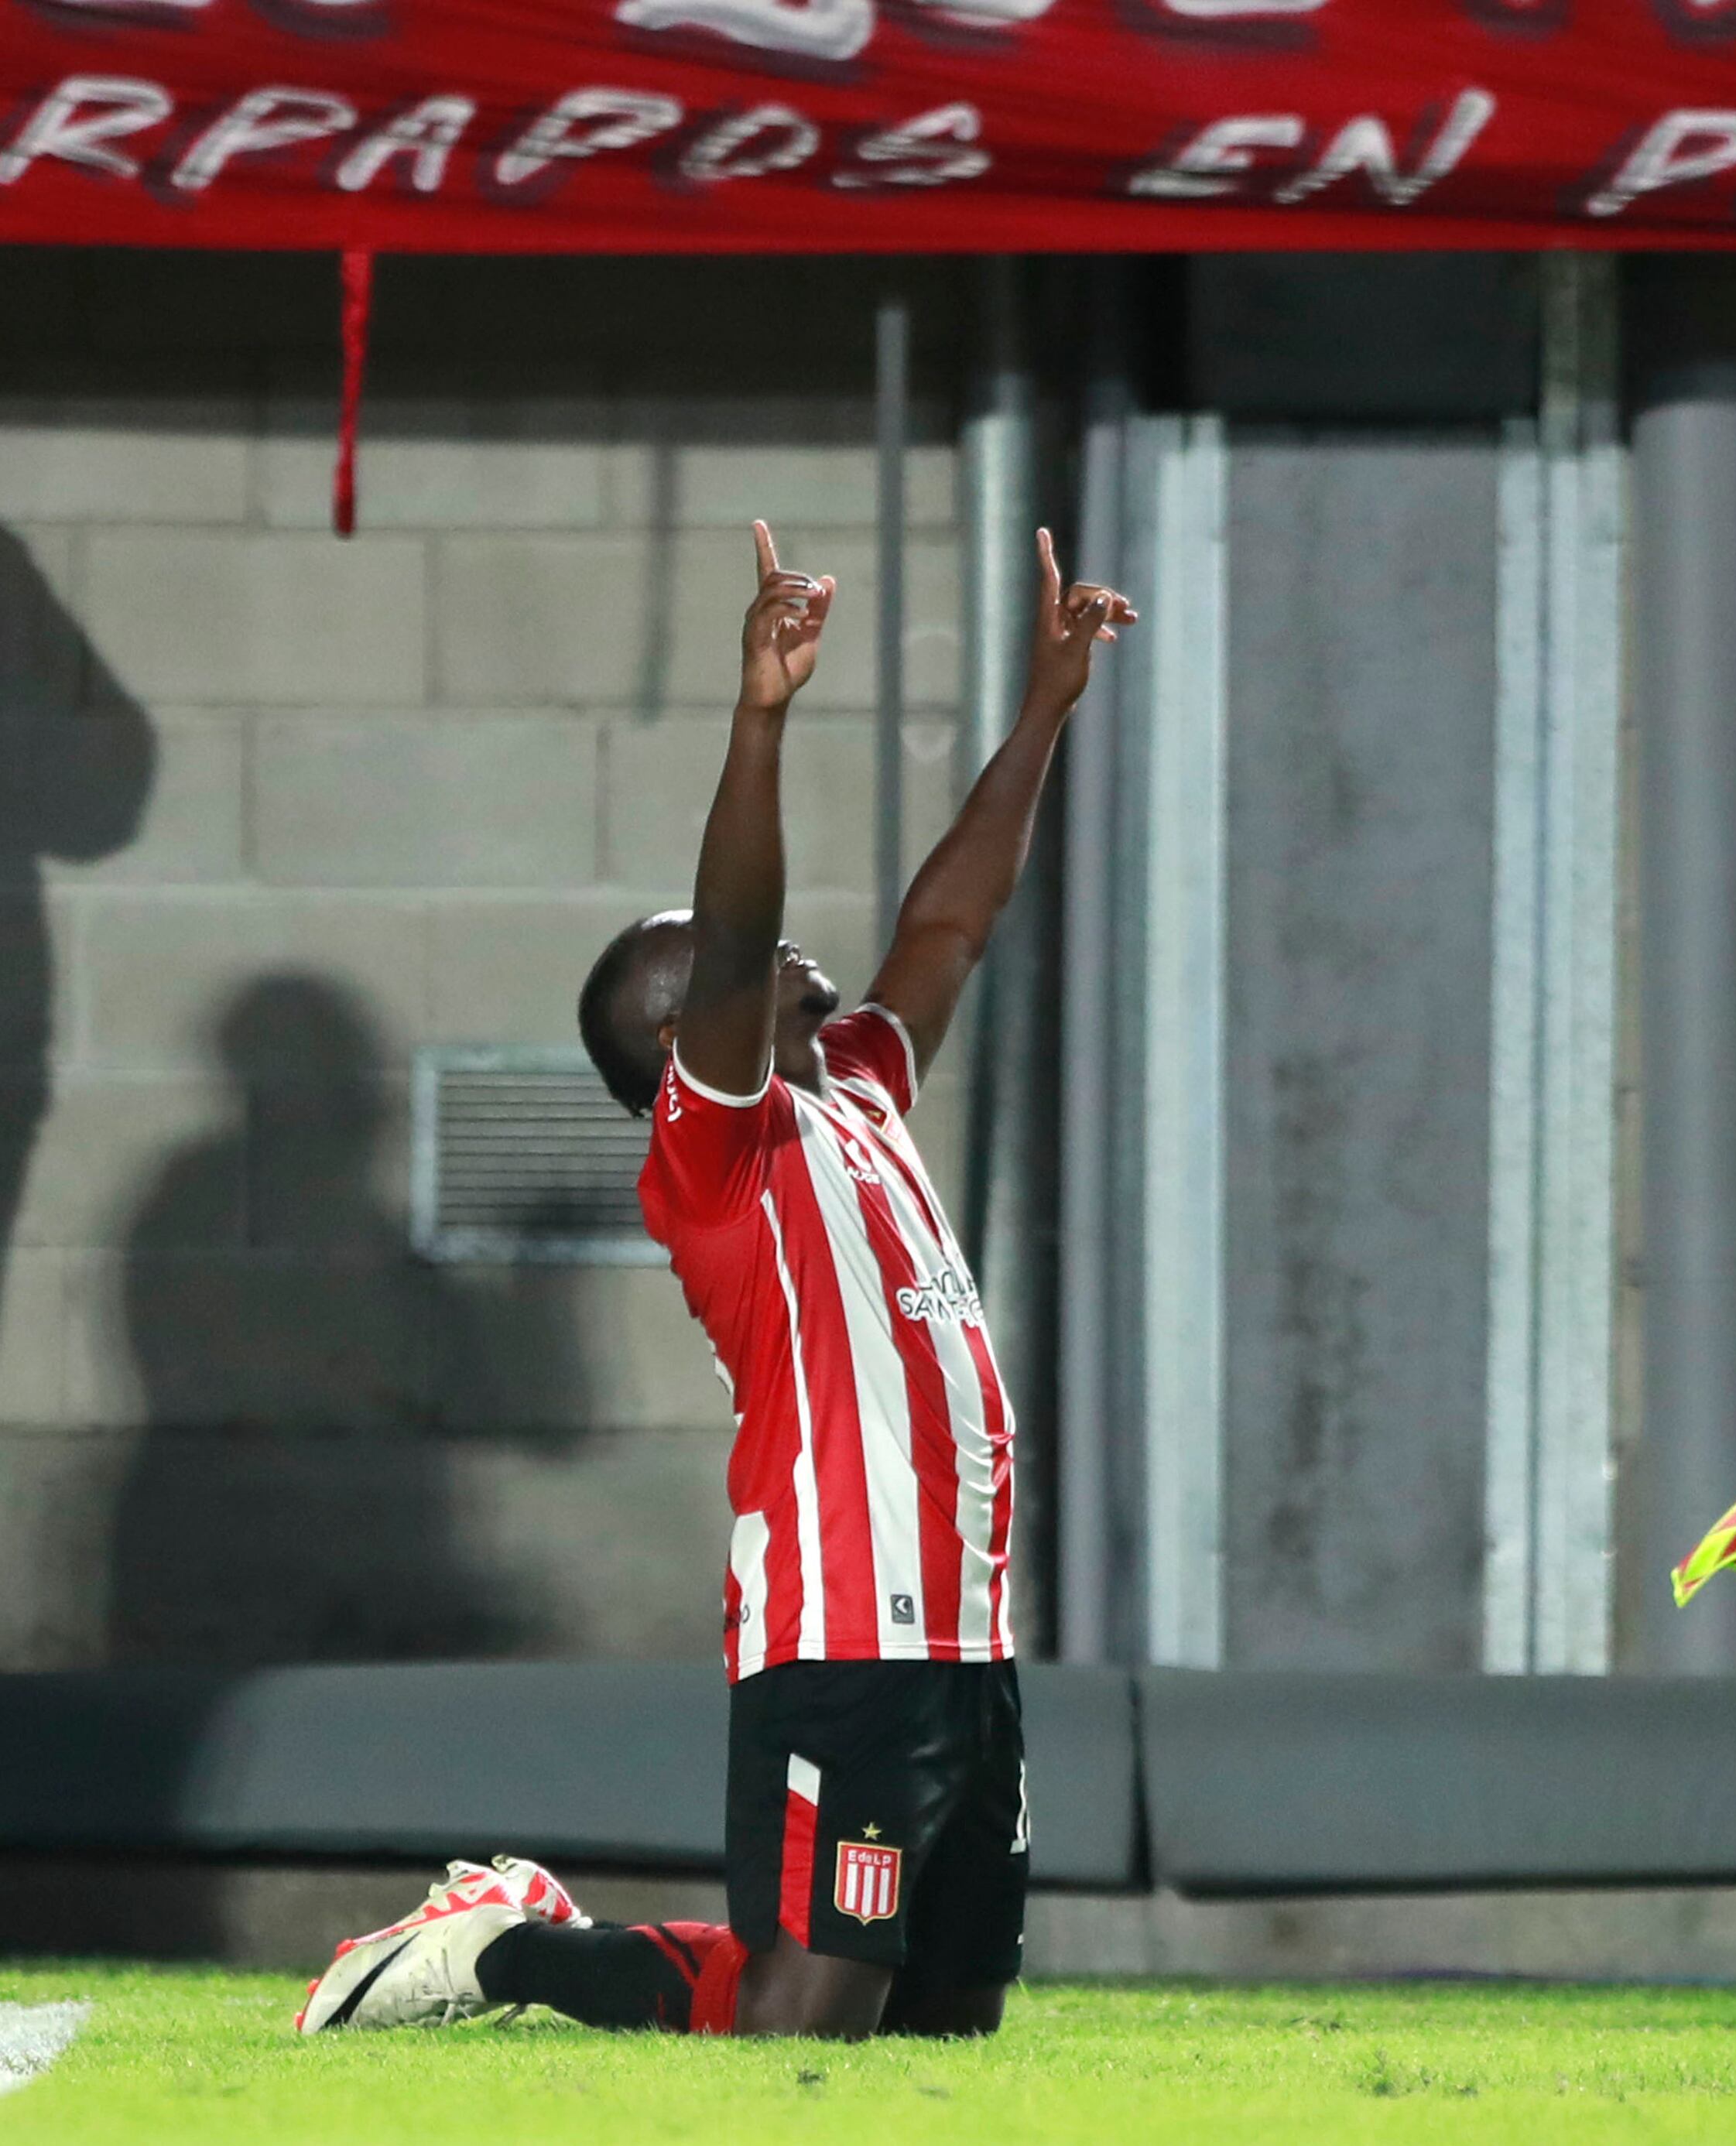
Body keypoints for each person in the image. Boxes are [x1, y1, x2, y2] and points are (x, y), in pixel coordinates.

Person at [295, 522, 1135, 2039]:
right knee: (806, 2018)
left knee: (944, 2020)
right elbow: (739, 937)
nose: (782, 951)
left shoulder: (857, 1084)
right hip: (841, 1630)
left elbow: (952, 923)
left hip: (961, 1633)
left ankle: (534, 1936)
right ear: (688, 1036)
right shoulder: (714, 1155)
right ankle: (502, 1954)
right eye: (729, 966)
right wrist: (761, 720)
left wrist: (1045, 709)